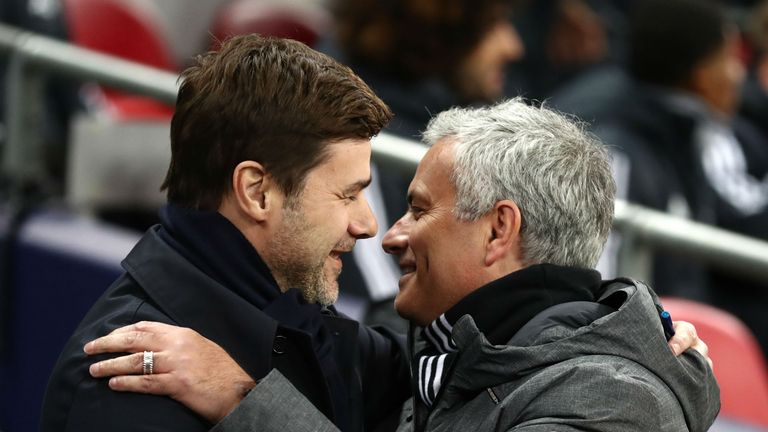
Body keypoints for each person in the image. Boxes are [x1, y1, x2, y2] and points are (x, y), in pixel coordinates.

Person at [84, 99, 719, 432]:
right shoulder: (443, 344)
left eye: (417, 210)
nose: (386, 235)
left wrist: (243, 398)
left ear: (499, 229)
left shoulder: (613, 400)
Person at [39, 35, 410, 432]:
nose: (369, 225)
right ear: (257, 192)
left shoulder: (295, 309)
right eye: (348, 194)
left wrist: (243, 396)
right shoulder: (129, 386)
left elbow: (427, 369)